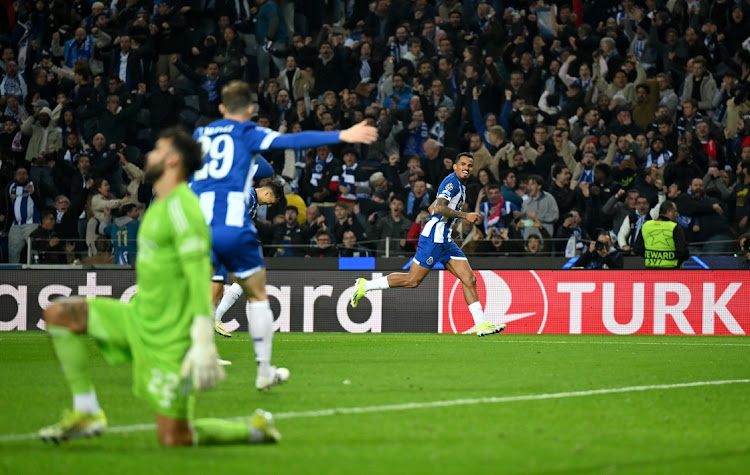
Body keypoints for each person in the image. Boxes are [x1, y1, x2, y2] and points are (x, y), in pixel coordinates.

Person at [38, 127, 281, 446]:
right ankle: (87, 411)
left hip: (169, 339)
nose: (149, 154)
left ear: (173, 161)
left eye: (158, 150)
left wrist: (203, 341)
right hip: (138, 317)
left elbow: (199, 275)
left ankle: (255, 429)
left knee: (175, 436)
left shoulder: (183, 208)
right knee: (59, 314)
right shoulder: (162, 203)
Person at [191, 80, 377, 391]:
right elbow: (295, 139)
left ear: (221, 108)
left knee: (209, 289)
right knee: (257, 293)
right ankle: (264, 370)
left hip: (199, 223)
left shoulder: (200, 134)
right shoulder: (247, 132)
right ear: (250, 109)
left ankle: (201, 356)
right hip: (232, 223)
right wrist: (341, 134)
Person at [351, 153, 506, 337]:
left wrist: (447, 224)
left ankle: (481, 324)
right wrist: (465, 215)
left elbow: (432, 207)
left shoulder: (459, 185)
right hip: (433, 238)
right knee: (412, 280)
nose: (466, 167)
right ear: (455, 167)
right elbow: (439, 208)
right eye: (462, 164)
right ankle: (365, 286)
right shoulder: (452, 183)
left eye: (470, 165)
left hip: (445, 240)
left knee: (470, 279)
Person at [212, 180, 285, 337]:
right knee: (217, 285)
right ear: (267, 193)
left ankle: (214, 319)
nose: (270, 205)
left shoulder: (252, 202)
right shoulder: (247, 198)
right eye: (272, 202)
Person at [634, 201, 689, 269]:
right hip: (671, 271)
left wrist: (651, 255)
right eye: (675, 211)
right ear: (669, 212)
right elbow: (683, 252)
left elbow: (637, 249)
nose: (677, 214)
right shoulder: (675, 227)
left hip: (651, 270)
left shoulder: (646, 225)